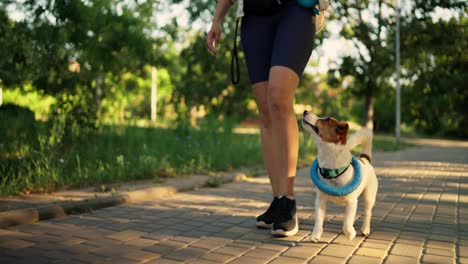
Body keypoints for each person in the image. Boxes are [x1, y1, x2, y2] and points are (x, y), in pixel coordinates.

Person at [206, 0, 317, 237]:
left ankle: (288, 201)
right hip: (255, 17)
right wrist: (217, 19)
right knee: (266, 111)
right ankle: (277, 200)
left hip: (295, 10)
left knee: (278, 98)